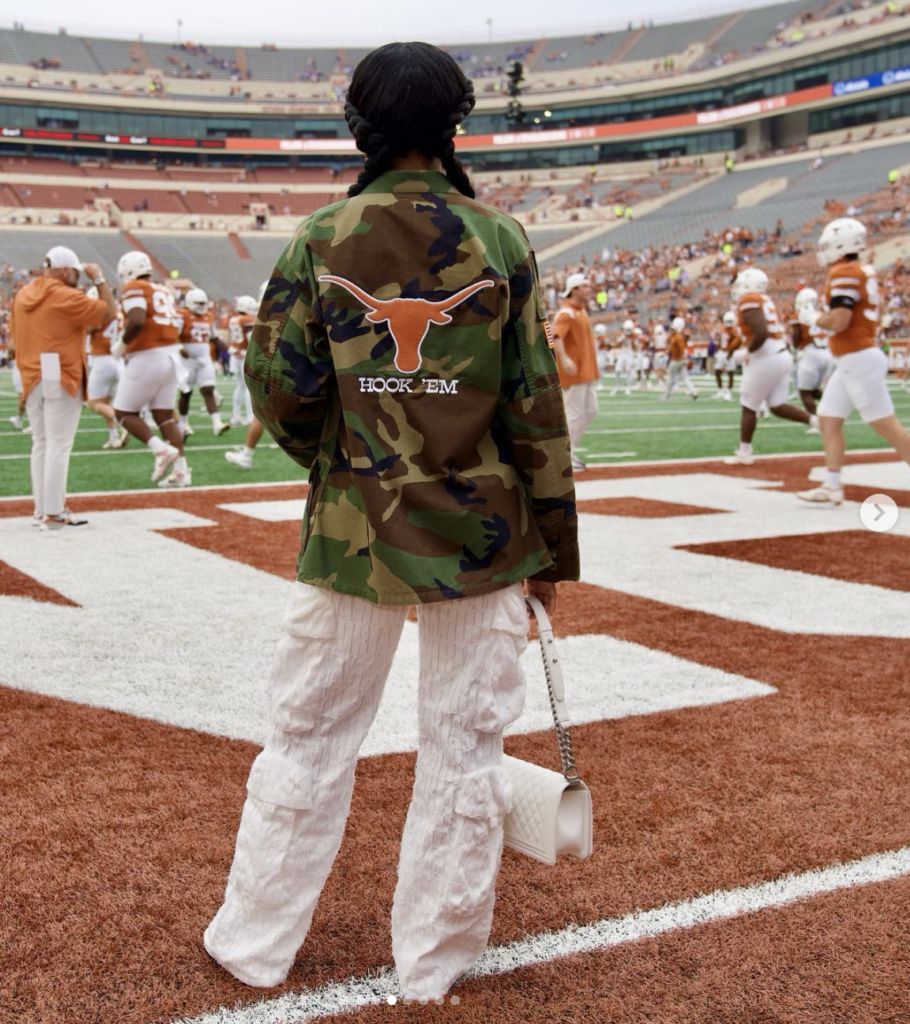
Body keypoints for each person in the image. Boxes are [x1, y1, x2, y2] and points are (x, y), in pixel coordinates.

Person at [204, 40, 579, 1005]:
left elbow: (279, 389)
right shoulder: (499, 239)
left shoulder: (322, 237)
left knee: (308, 736)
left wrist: (343, 461)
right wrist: (553, 554)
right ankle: (435, 961)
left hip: (350, 529)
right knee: (466, 749)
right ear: (456, 123)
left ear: (358, 121)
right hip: (484, 534)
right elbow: (536, 405)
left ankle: (254, 943)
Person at [798, 218, 910, 503]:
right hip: (853, 358)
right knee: (828, 418)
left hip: (857, 357)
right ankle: (832, 484)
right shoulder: (862, 269)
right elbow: (879, 308)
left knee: (885, 424)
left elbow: (839, 320)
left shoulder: (845, 270)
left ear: (839, 244)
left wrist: (812, 318)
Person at [9, 246, 116, 528]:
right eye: (76, 273)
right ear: (67, 270)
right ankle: (54, 511)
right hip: (60, 370)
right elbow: (108, 314)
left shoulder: (22, 295)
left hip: (30, 371)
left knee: (41, 444)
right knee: (59, 444)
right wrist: (99, 279)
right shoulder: (65, 295)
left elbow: (14, 335)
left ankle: (41, 508)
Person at [113, 251, 190, 487]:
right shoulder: (164, 290)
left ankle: (159, 450)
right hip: (170, 356)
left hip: (147, 356)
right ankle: (181, 472)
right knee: (164, 415)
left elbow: (137, 320)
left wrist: (121, 345)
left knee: (123, 413)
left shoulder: (135, 287)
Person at [723, 268, 816, 465]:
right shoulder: (764, 300)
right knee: (777, 405)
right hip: (780, 354)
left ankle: (744, 452)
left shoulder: (750, 300)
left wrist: (748, 352)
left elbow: (761, 333)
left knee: (749, 405)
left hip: (767, 356)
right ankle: (817, 421)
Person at [552, 272, 600, 471]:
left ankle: (569, 452)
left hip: (585, 371)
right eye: (585, 286)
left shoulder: (580, 311)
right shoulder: (567, 312)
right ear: (575, 290)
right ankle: (564, 456)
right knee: (574, 414)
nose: (589, 290)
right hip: (575, 372)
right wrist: (564, 358)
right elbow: (556, 336)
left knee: (589, 411)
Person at [175, 287, 229, 437]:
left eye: (203, 303)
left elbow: (214, 337)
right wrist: (179, 347)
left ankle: (217, 423)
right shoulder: (182, 314)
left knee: (208, 390)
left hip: (204, 358)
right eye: (198, 303)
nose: (200, 306)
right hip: (187, 360)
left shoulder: (209, 316)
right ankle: (183, 424)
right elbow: (173, 334)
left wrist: (226, 348)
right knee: (186, 393)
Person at [84, 285, 128, 449]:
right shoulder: (118, 314)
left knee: (93, 403)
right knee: (106, 402)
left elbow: (84, 330)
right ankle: (113, 437)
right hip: (117, 360)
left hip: (102, 360)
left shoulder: (99, 314)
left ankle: (123, 422)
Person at [789, 286, 832, 431]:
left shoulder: (800, 314)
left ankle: (817, 423)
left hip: (810, 353)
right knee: (813, 391)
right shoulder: (821, 313)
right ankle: (836, 405)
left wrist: (794, 350)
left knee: (804, 392)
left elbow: (796, 335)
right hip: (826, 353)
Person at [227, 295, 257, 425]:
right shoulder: (247, 319)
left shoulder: (233, 319)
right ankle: (249, 417)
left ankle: (236, 415)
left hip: (235, 354)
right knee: (249, 388)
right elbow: (250, 337)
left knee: (240, 386)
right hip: (244, 354)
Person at [662, 316, 698, 400]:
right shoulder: (676, 336)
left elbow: (681, 349)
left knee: (670, 377)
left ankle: (667, 395)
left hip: (676, 360)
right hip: (679, 359)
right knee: (685, 378)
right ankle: (693, 392)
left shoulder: (677, 337)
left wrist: (683, 358)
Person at [713, 311, 740, 400]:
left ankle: (728, 392)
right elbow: (721, 340)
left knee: (730, 373)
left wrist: (729, 354)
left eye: (730, 321)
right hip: (722, 351)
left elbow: (735, 344)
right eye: (727, 321)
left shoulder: (735, 331)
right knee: (717, 371)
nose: (728, 323)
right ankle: (720, 391)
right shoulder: (723, 328)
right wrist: (717, 350)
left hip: (730, 352)